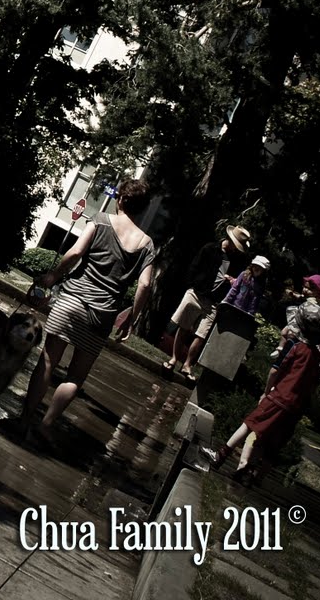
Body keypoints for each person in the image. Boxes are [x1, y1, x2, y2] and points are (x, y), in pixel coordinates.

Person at [17, 178, 156, 445]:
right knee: (76, 376)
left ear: (122, 200)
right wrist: (131, 319)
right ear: (143, 208)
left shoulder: (101, 219)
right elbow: (146, 284)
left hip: (71, 302)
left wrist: (54, 276)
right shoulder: (147, 244)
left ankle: (24, 420)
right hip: (102, 315)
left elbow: (77, 252)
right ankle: (45, 425)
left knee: (47, 361)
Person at [204, 303, 320, 483]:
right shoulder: (317, 358)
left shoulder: (295, 347)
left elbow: (275, 371)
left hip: (279, 397)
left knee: (249, 424)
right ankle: (249, 471)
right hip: (294, 407)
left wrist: (266, 392)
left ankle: (220, 456)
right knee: (268, 439)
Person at [164, 224, 252, 380]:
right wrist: (193, 284)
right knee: (183, 326)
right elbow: (195, 266)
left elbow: (235, 280)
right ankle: (174, 359)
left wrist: (229, 282)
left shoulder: (236, 260)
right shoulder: (210, 249)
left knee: (202, 334)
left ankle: (187, 365)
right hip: (197, 293)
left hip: (214, 301)